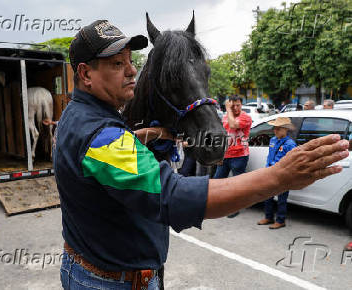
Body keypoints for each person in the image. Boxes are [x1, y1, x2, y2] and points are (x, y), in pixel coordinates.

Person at [54, 19, 350, 290]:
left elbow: (112, 153)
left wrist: (153, 134)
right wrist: (279, 176)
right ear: (85, 74)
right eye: (118, 63)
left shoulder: (79, 114)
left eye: (131, 61)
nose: (132, 71)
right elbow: (173, 197)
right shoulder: (101, 136)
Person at [213, 95, 252, 218]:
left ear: (242, 105)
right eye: (232, 105)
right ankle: (217, 205)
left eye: (238, 105)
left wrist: (228, 109)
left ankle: (235, 208)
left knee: (237, 185)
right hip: (225, 155)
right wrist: (219, 155)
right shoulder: (225, 117)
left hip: (239, 156)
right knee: (217, 181)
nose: (235, 108)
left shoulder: (245, 117)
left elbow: (234, 125)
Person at [257, 117, 297, 229]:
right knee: (267, 196)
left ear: (285, 129)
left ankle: (281, 220)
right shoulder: (273, 140)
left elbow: (291, 161)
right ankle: (268, 217)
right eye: (274, 128)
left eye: (278, 128)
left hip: (282, 175)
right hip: (270, 172)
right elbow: (270, 156)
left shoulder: (290, 144)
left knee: (281, 199)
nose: (275, 130)